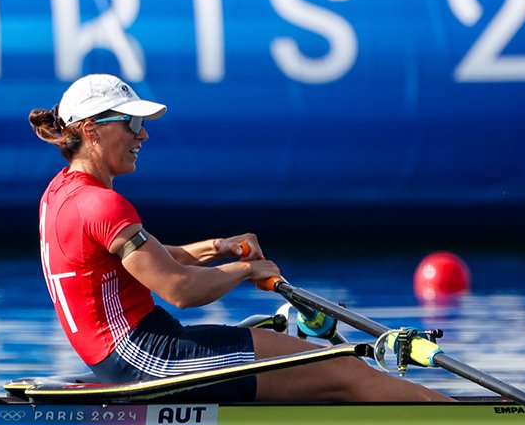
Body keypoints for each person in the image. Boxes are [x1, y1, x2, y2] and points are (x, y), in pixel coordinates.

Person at [29, 74, 449, 403]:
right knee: (345, 369)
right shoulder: (102, 205)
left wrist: (219, 248)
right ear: (91, 130)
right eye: (133, 123)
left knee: (311, 367)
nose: (144, 135)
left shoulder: (60, 193)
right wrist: (246, 269)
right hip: (149, 358)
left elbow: (157, 260)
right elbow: (179, 289)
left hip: (124, 357)